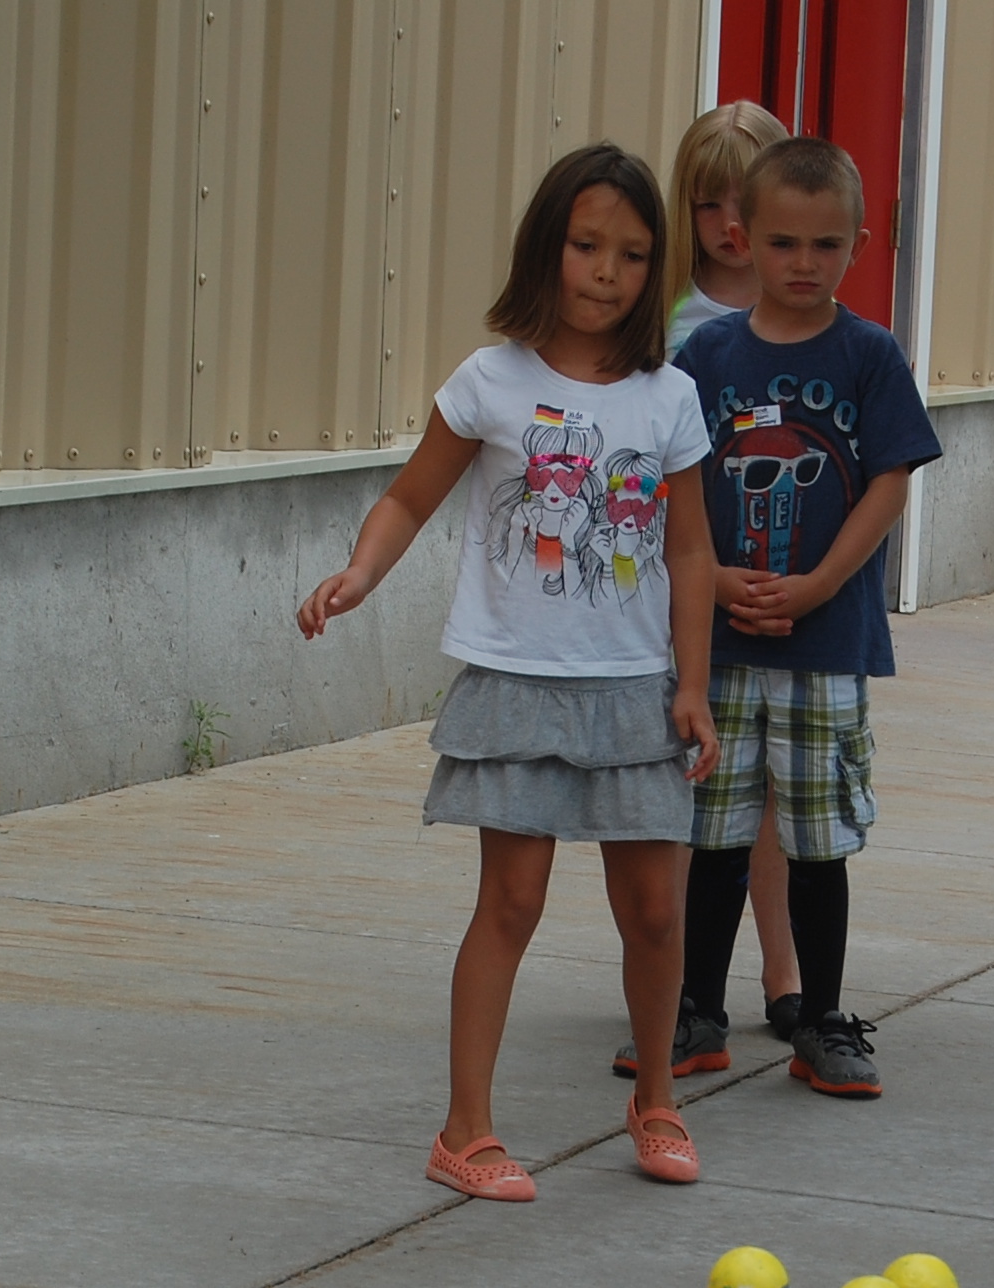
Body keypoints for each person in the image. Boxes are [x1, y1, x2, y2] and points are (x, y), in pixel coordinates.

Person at [297, 143, 720, 1200]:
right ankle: (464, 1130)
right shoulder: (488, 382)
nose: (606, 271)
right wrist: (359, 571)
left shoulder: (669, 398)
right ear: (547, 248)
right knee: (512, 902)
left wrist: (692, 682)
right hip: (515, 681)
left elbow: (688, 552)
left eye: (630, 253)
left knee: (657, 912)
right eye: (585, 246)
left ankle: (657, 1095)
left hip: (634, 687)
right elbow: (408, 497)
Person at [667, 136, 941, 1100]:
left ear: (857, 246)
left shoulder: (868, 355)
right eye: (782, 242)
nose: (802, 263)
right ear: (743, 236)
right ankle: (696, 1011)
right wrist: (716, 580)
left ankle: (821, 1019)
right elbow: (681, 485)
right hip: (727, 643)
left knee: (818, 836)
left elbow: (890, 481)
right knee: (716, 830)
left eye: (827, 245)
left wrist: (823, 582)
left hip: (826, 644)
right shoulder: (708, 356)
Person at [623, 97, 801, 1074]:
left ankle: (784, 973)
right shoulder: (677, 337)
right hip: (697, 601)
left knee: (776, 793)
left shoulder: (811, 326)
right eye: (709, 204)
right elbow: (646, 480)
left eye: (751, 201)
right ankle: (683, 986)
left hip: (787, 601)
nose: (732, 224)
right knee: (695, 791)